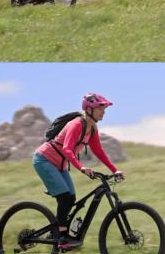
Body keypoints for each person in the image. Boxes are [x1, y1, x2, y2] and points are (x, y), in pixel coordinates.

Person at [32, 93, 124, 250]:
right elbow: (67, 149)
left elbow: (99, 151)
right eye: (100, 109)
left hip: (59, 165)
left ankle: (60, 230)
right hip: (44, 160)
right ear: (89, 109)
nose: (103, 112)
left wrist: (115, 170)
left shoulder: (92, 129)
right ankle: (61, 237)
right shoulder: (76, 124)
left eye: (103, 109)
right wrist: (81, 167)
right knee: (65, 196)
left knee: (72, 197)